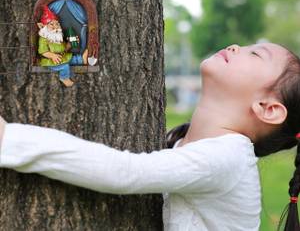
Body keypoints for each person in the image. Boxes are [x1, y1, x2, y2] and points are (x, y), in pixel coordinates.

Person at [0, 42, 299, 231]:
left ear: (268, 109)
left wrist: (8, 139)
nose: (236, 46)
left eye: (256, 53)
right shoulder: (190, 145)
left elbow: (122, 173)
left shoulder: (227, 158)